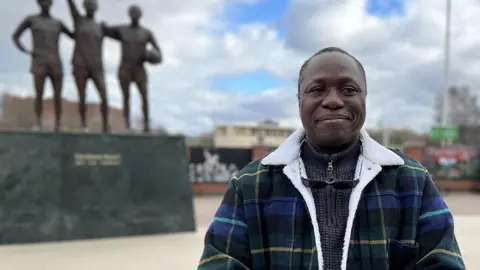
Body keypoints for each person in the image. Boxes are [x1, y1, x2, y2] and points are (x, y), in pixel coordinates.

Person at [198, 47, 465, 269]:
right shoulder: (249, 186)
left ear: (364, 99)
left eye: (349, 89)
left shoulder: (413, 182)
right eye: (317, 89)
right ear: (299, 100)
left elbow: (444, 262)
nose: (334, 100)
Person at [12, 0, 74, 131]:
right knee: (39, 94)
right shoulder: (31, 19)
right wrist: (26, 51)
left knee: (58, 94)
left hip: (55, 62)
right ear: (39, 3)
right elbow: (15, 36)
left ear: (51, 4)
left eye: (48, 1)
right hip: (39, 62)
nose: (45, 3)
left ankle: (58, 124)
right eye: (43, 1)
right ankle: (38, 122)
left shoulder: (58, 23)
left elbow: (74, 36)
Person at [102, 5, 162, 133]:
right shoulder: (122, 30)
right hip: (125, 69)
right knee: (126, 97)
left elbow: (159, 53)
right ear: (129, 15)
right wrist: (102, 25)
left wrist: (151, 55)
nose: (135, 15)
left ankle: (146, 126)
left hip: (139, 69)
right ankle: (127, 125)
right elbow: (106, 31)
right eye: (132, 13)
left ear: (140, 15)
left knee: (144, 97)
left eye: (137, 13)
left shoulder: (147, 33)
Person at [67, 0, 109, 132]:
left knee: (104, 96)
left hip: (97, 66)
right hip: (80, 65)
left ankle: (106, 125)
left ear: (96, 8)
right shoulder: (78, 20)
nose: (91, 8)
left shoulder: (100, 26)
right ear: (85, 7)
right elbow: (70, 4)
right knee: (82, 96)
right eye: (89, 5)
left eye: (93, 6)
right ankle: (83, 125)